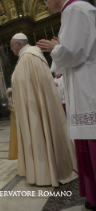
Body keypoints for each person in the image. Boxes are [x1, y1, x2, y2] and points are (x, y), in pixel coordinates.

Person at [37, 0, 96, 208]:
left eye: (45, 1)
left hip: (88, 86)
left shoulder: (74, 9)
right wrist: (59, 47)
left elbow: (74, 55)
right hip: (82, 84)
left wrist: (56, 48)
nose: (45, 6)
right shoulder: (74, 10)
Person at [10, 32, 77, 187]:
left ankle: (46, 171)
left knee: (40, 131)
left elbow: (28, 87)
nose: (11, 49)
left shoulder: (28, 58)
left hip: (34, 109)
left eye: (12, 45)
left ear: (19, 44)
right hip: (35, 105)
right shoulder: (31, 56)